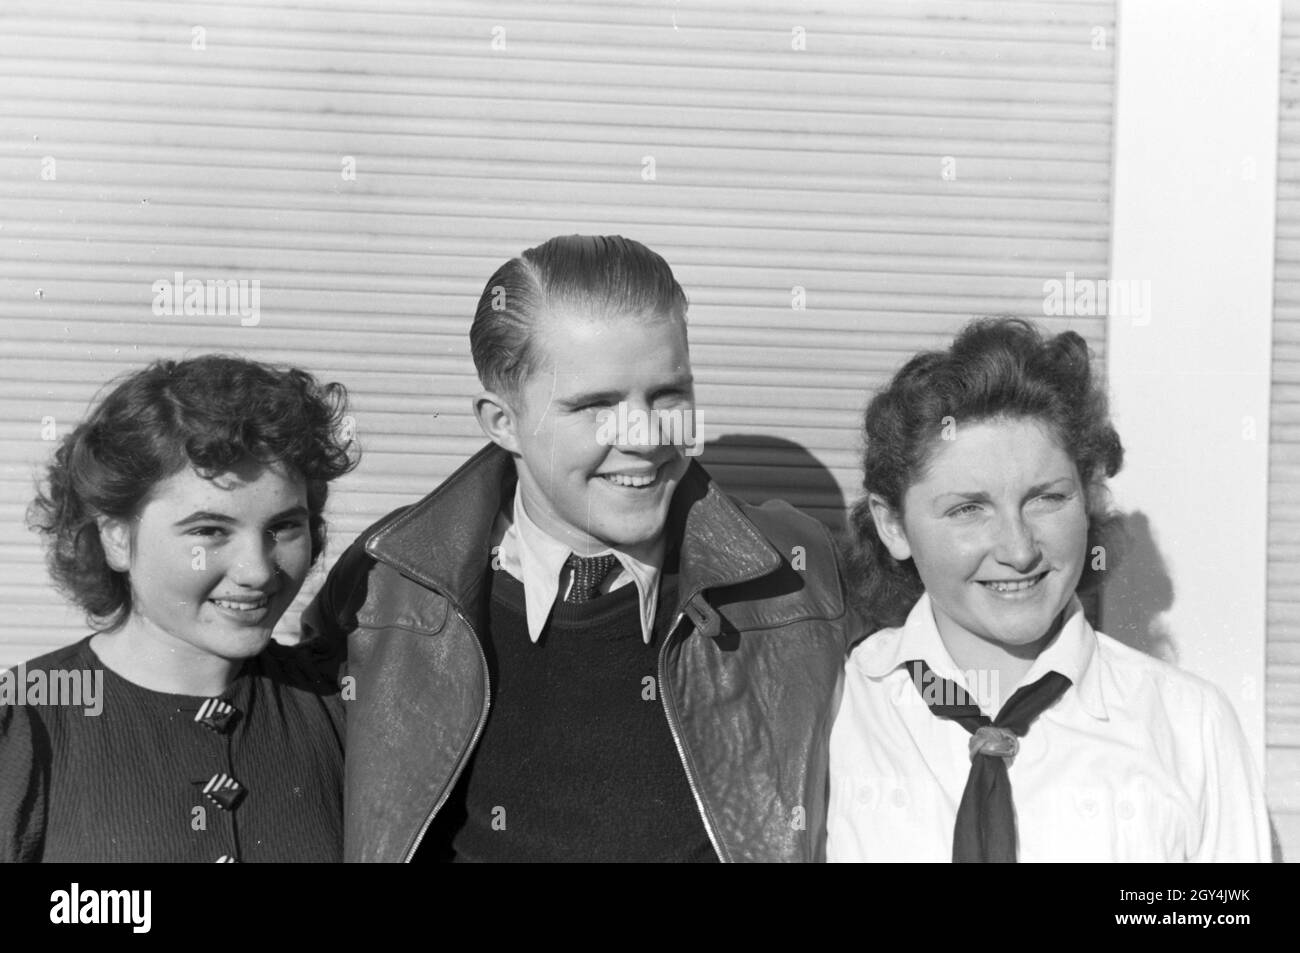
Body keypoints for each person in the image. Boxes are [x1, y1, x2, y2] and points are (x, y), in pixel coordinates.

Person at [303, 234, 854, 862]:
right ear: (501, 422)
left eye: (668, 395)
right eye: (596, 405)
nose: (644, 437)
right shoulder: (386, 582)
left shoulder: (801, 573)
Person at [828, 317, 1270, 862]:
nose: (1018, 550)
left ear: (1087, 497)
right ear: (892, 524)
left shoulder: (1189, 728)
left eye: (1047, 499)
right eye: (969, 508)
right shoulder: (834, 710)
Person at [0, 355, 356, 862]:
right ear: (117, 538)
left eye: (283, 528)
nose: (257, 569)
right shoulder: (23, 719)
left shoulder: (344, 711)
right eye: (210, 531)